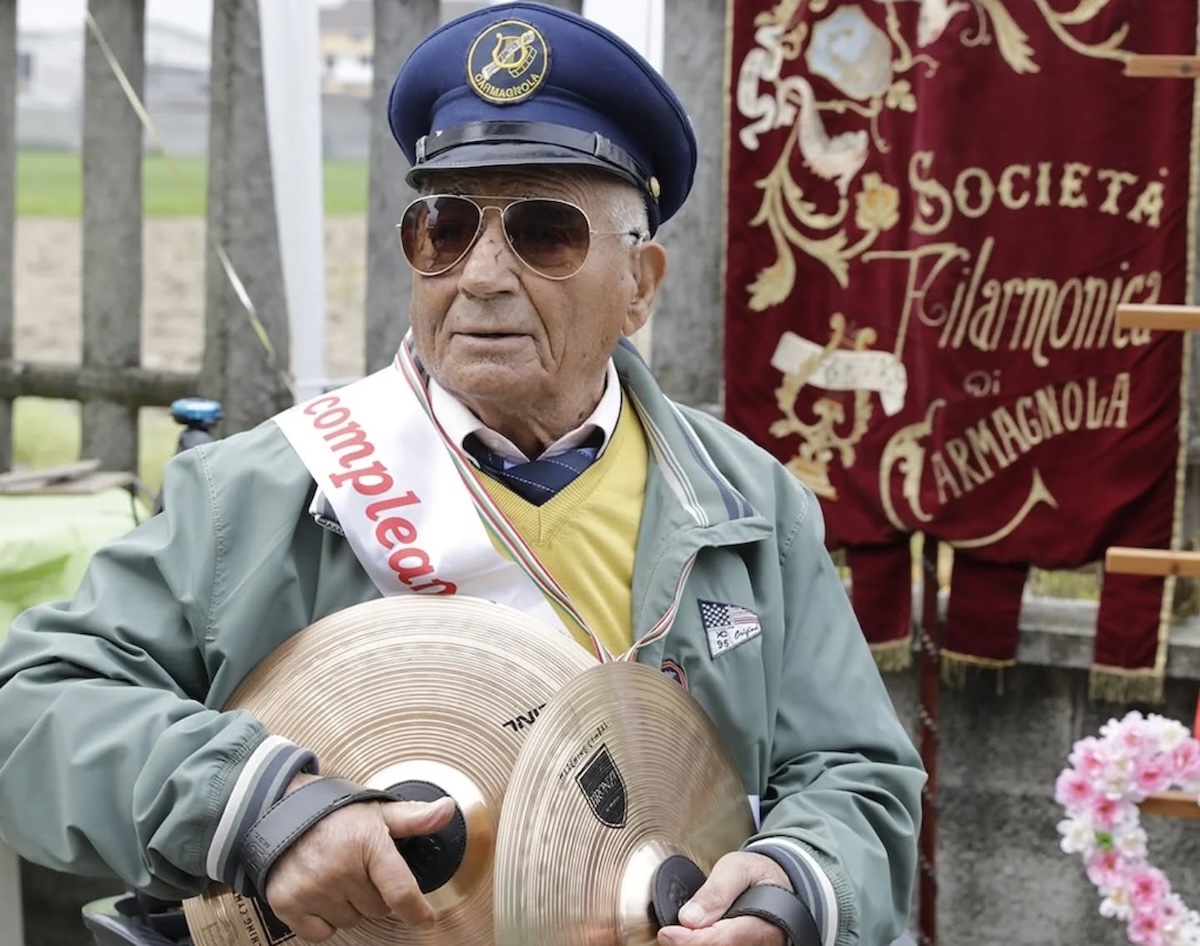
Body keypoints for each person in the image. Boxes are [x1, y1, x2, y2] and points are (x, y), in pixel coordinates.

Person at [0, 4, 924, 945]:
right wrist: (254, 804)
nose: (480, 274)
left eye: (543, 230)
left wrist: (784, 891)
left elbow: (857, 776)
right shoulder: (262, 493)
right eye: (444, 226)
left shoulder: (750, 507)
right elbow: (32, 703)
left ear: (640, 283)